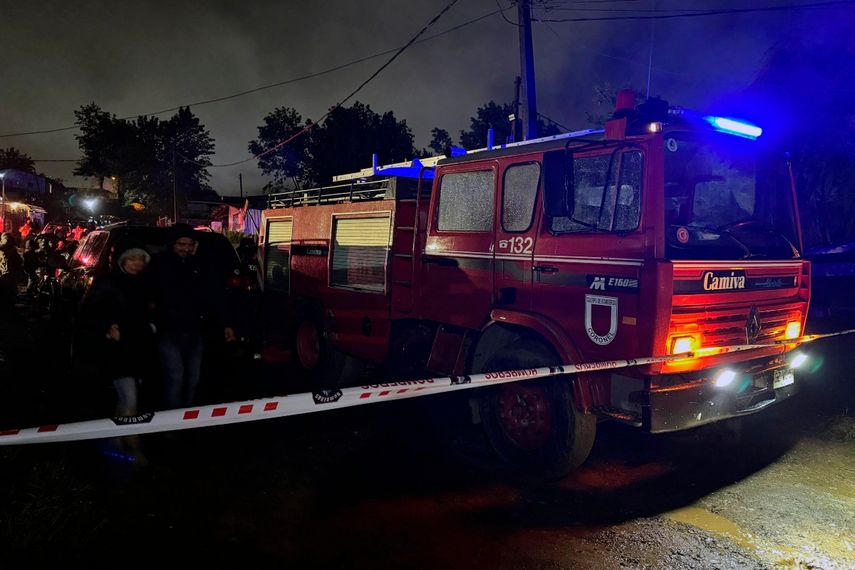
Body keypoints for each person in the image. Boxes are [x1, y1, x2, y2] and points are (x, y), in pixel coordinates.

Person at [78, 245, 153, 464]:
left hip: (137, 349)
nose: (137, 263)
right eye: (132, 259)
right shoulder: (107, 283)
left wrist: (151, 327)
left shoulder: (142, 284)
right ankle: (133, 445)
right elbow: (89, 313)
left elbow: (146, 313)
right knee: (130, 398)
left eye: (141, 260)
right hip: (117, 352)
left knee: (126, 399)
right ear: (122, 260)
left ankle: (114, 440)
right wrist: (107, 328)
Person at [147, 224, 236, 409]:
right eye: (181, 244)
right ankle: (171, 422)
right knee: (176, 376)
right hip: (169, 332)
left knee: (193, 377)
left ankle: (186, 416)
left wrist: (226, 324)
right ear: (173, 244)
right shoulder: (159, 265)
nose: (185, 248)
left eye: (189, 244)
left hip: (195, 331)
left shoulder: (200, 266)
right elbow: (148, 296)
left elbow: (214, 296)